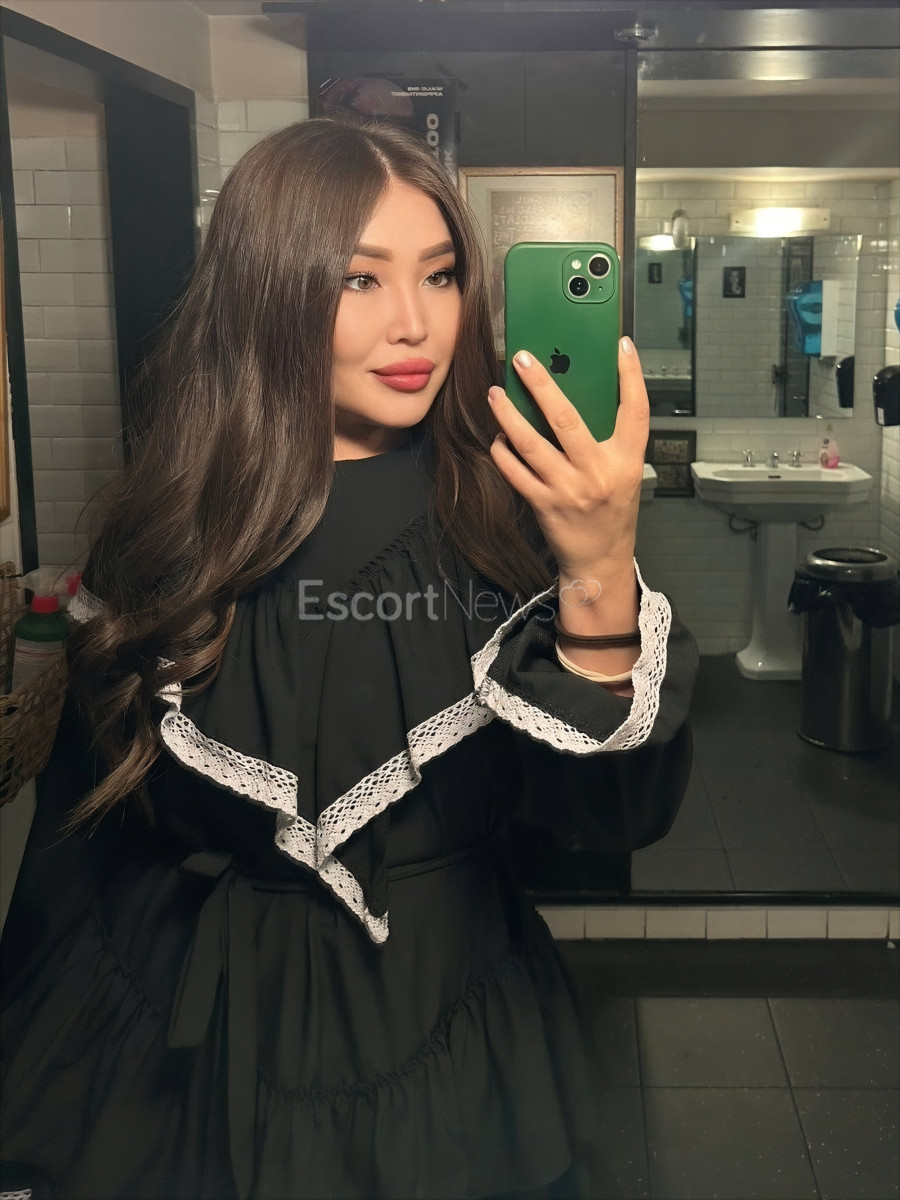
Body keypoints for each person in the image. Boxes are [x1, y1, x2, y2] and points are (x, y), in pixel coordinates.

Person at [0, 118, 697, 1200]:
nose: (414, 322)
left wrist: (601, 566)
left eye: (441, 275)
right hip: (182, 1032)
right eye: (357, 279)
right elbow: (78, 828)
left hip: (443, 1026)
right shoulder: (167, 528)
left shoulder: (514, 523)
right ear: (268, 291)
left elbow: (614, 818)